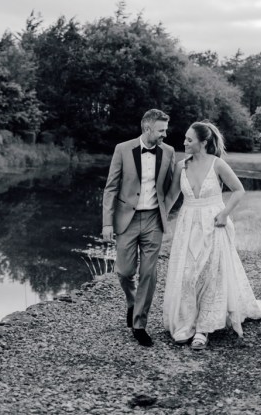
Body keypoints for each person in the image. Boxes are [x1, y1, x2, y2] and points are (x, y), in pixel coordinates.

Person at [163, 121, 261, 349]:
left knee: (210, 274)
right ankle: (186, 322)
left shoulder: (217, 164)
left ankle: (203, 330)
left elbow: (239, 190)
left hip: (213, 223)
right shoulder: (181, 167)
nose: (184, 142)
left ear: (203, 142)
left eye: (189, 139)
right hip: (187, 225)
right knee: (188, 274)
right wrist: (159, 223)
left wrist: (224, 214)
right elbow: (170, 198)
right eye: (185, 138)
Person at [102, 109, 175, 347]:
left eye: (166, 129)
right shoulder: (122, 149)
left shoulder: (169, 152)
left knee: (148, 273)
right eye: (161, 130)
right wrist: (107, 222)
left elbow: (172, 185)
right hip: (127, 220)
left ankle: (139, 324)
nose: (165, 134)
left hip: (154, 220)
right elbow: (111, 188)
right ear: (147, 128)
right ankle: (132, 302)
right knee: (124, 271)